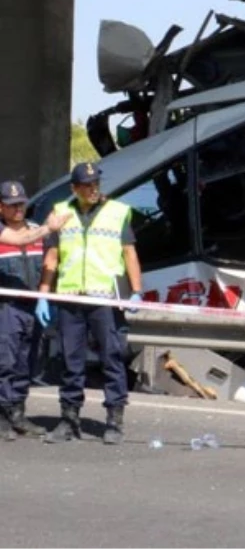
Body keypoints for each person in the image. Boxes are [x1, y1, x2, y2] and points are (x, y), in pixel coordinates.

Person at [39, 162, 142, 446]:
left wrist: (136, 290)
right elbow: (52, 256)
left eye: (96, 183)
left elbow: (129, 253)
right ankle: (69, 419)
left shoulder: (117, 212)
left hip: (105, 298)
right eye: (87, 185)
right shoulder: (60, 212)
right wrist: (44, 293)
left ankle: (114, 420)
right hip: (71, 296)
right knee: (71, 361)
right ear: (74, 188)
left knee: (112, 358)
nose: (93, 188)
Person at [0, 181, 62, 440]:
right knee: (5, 361)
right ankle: (2, 415)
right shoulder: (4, 231)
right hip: (7, 307)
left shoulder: (36, 229)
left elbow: (51, 259)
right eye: (12, 205)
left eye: (21, 204)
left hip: (32, 305)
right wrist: (50, 227)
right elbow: (19, 239)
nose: (18, 209)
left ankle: (18, 412)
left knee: (28, 360)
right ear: (1, 207)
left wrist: (45, 296)